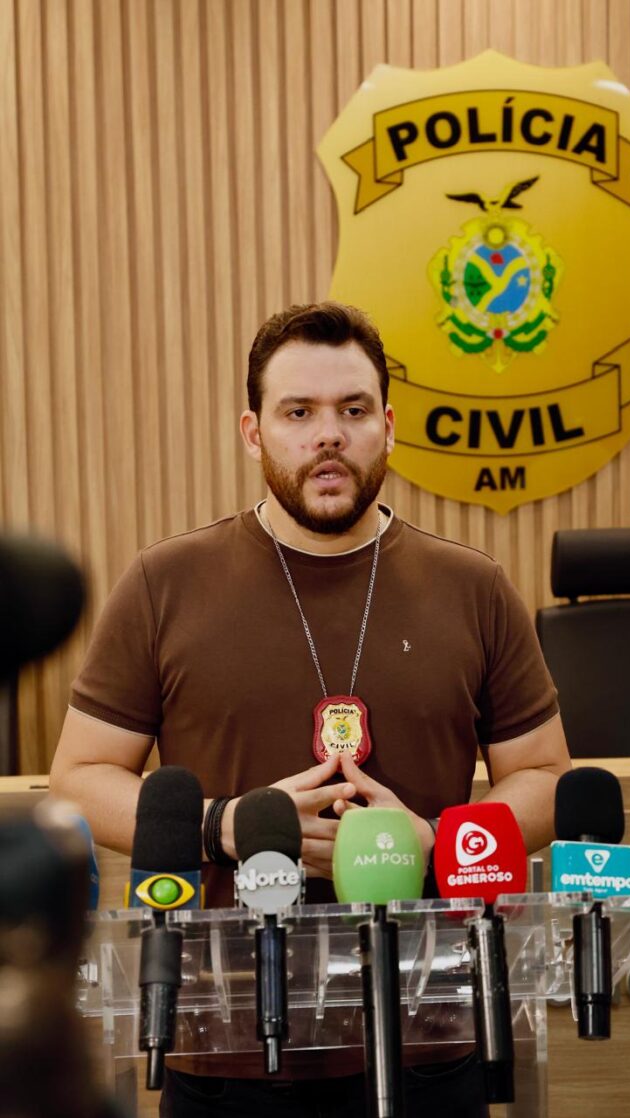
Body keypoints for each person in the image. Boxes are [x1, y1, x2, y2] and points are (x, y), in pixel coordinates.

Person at [50, 301, 571, 1117]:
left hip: (429, 1033)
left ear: (388, 428)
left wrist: (437, 842)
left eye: (353, 411)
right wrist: (224, 825)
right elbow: (79, 779)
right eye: (299, 413)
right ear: (254, 433)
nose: (328, 435)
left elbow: (544, 778)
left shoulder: (474, 587)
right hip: (224, 1040)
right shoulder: (164, 583)